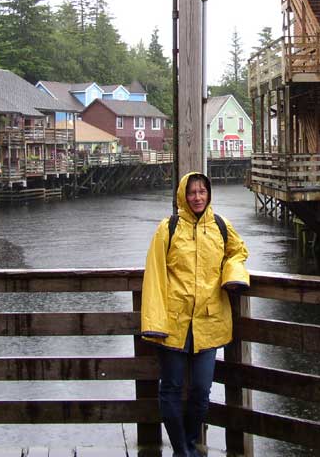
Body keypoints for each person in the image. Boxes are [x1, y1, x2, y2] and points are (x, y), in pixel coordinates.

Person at [140, 172, 250, 456]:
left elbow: (238, 252)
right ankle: (182, 450)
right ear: (183, 196)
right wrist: (153, 321)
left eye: (202, 192)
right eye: (192, 193)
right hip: (174, 323)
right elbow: (154, 274)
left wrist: (233, 274)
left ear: (208, 194)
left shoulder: (221, 226)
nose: (198, 197)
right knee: (171, 388)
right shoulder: (169, 228)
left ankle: (189, 443)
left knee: (201, 390)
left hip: (209, 321)